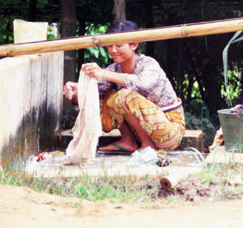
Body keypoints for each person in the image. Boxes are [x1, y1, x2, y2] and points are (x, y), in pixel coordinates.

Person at [63, 20, 185, 153]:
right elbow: (94, 90)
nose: (113, 50)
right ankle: (128, 141)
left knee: (124, 95)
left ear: (134, 45)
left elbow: (141, 83)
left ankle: (148, 146)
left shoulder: (149, 64)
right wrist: (76, 89)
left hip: (169, 133)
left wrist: (103, 73)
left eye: (119, 45)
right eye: (110, 46)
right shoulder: (114, 69)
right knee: (101, 96)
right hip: (143, 131)